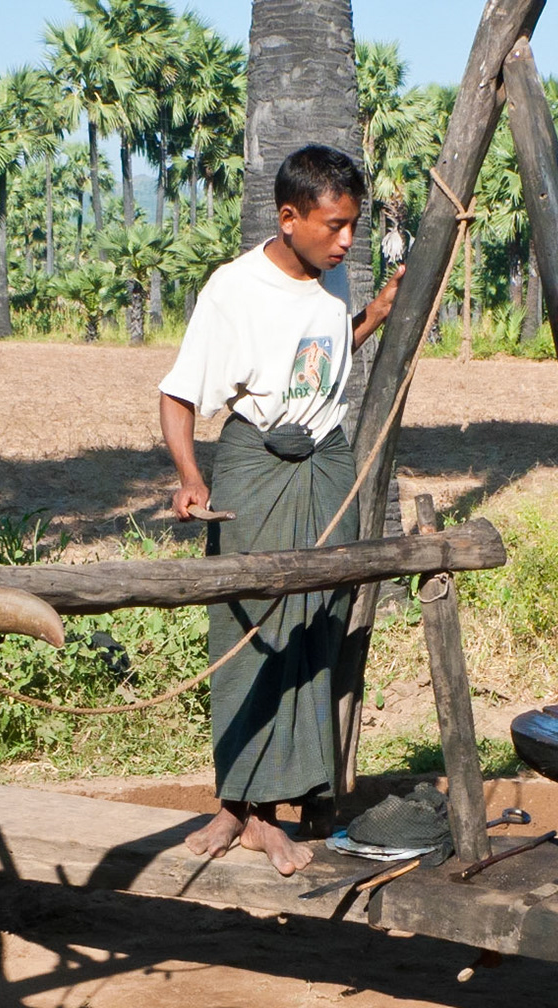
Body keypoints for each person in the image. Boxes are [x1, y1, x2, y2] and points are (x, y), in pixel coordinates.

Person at [157, 144, 404, 876]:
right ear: (288, 217)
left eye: (354, 225)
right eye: (334, 225)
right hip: (257, 471)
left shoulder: (332, 283)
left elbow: (320, 361)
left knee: (315, 630)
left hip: (326, 469)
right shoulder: (233, 289)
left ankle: (298, 798)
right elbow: (177, 395)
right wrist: (190, 478)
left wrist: (374, 316)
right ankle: (244, 808)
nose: (347, 240)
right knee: (249, 628)